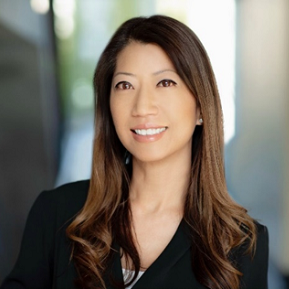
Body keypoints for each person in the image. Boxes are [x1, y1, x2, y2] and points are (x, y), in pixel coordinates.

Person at [1, 15, 268, 289]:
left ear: (201, 107)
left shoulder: (242, 242)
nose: (142, 107)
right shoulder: (57, 214)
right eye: (125, 85)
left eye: (165, 83)